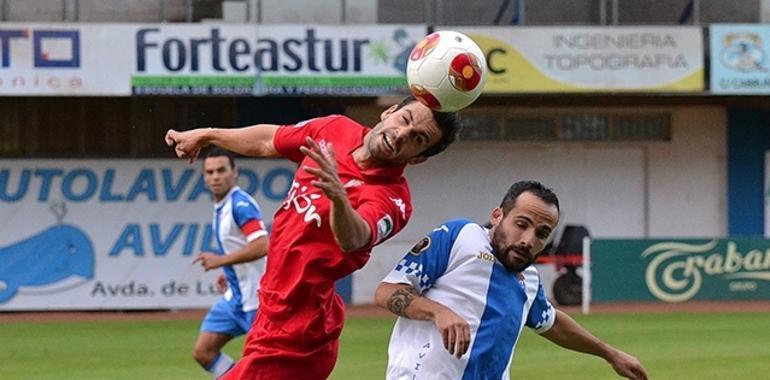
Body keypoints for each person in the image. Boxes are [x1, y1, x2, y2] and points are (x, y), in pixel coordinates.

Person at [165, 95, 462, 379]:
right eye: (404, 119)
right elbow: (270, 140)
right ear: (390, 111)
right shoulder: (335, 129)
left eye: (417, 139)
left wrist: (338, 198)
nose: (401, 134)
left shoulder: (393, 199)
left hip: (299, 333)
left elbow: (356, 237)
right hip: (272, 309)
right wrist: (207, 135)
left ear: (418, 158)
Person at [375, 180, 648, 380]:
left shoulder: (529, 278)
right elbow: (387, 291)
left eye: (542, 233)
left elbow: (551, 322)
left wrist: (610, 353)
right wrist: (438, 311)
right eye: (521, 224)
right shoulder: (461, 236)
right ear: (498, 216)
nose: (529, 240)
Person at [191, 148, 269, 378]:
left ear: (234, 173)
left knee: (267, 368)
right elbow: (241, 246)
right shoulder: (222, 205)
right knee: (204, 351)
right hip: (235, 296)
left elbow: (262, 244)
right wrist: (229, 269)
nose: (216, 176)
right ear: (204, 177)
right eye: (210, 172)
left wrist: (222, 261)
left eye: (221, 170)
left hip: (257, 299)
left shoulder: (240, 205)